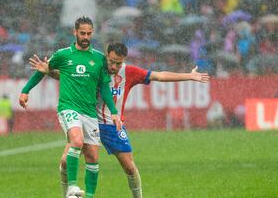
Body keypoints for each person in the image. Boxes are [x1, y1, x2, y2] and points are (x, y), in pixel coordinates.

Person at [29, 42, 210, 198]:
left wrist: (189, 76)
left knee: (130, 168)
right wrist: (48, 71)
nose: (114, 66)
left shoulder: (129, 72)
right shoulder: (95, 65)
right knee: (64, 162)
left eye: (119, 63)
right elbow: (67, 76)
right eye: (112, 61)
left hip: (112, 126)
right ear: (106, 55)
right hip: (88, 121)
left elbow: (159, 76)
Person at [19, 16, 121, 198]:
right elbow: (43, 69)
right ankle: (72, 188)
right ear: (75, 32)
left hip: (89, 112)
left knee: (93, 157)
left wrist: (114, 112)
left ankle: (88, 196)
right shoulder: (63, 54)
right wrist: (26, 90)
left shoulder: (99, 59)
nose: (86, 37)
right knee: (76, 141)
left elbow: (105, 87)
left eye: (89, 33)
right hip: (68, 107)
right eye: (82, 33)